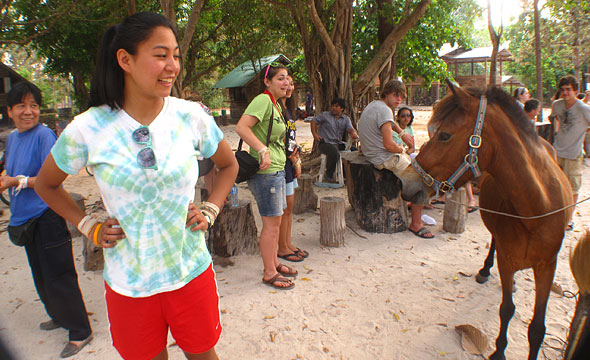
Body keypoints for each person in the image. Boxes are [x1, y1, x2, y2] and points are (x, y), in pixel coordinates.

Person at [35, 12, 237, 360]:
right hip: (130, 284)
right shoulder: (88, 128)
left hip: (189, 272)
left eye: (175, 55)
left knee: (203, 354)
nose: (172, 65)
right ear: (125, 59)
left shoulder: (191, 116)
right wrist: (89, 227)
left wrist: (211, 208)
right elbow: (46, 185)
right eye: (161, 55)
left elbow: (228, 164)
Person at [1, 82, 93, 358]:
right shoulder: (14, 138)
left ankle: (80, 331)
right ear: (10, 111)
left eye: (34, 106)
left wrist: (16, 181)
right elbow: (10, 169)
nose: (29, 112)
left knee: (59, 274)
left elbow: (51, 179)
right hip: (24, 217)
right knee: (40, 272)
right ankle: (58, 315)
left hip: (47, 214)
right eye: (22, 106)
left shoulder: (44, 136)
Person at [236, 63, 297, 290]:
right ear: (267, 81)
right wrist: (262, 149)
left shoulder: (277, 105)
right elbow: (242, 127)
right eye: (280, 78)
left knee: (276, 221)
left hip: (278, 169)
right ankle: (269, 272)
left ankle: (274, 263)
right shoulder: (263, 101)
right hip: (266, 173)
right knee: (271, 225)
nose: (285, 82)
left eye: (287, 78)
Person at [358, 79, 433, 239]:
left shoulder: (374, 106)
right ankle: (416, 223)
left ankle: (412, 202)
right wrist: (402, 149)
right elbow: (389, 145)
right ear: (386, 93)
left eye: (401, 97)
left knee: (414, 167)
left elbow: (390, 124)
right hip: (383, 157)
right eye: (395, 95)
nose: (399, 99)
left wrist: (402, 134)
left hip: (371, 154)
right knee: (421, 179)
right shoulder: (385, 111)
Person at [550, 75, 590, 231]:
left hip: (573, 155)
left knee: (572, 188)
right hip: (557, 151)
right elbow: (555, 119)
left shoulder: (584, 109)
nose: (565, 93)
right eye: (563, 90)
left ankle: (569, 218)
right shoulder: (557, 105)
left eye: (568, 90)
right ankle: (556, 213)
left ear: (576, 90)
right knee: (555, 185)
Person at [278, 72, 308, 262]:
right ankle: (281, 247)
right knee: (283, 208)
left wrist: (296, 158)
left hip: (290, 161)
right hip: (281, 162)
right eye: (283, 81)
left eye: (290, 82)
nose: (288, 86)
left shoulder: (287, 109)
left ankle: (287, 243)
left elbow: (290, 139)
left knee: (289, 207)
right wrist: (293, 159)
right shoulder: (274, 108)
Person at [311, 98, 359, 182]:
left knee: (355, 151)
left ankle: (348, 174)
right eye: (332, 106)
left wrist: (353, 132)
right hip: (325, 143)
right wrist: (315, 134)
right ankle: (328, 175)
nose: (333, 108)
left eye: (336, 106)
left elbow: (350, 128)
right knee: (334, 153)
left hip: (338, 143)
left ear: (342, 108)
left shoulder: (345, 119)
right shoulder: (325, 115)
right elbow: (313, 121)